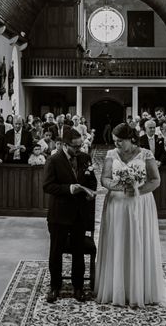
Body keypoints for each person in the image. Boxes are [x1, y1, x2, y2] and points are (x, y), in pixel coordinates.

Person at [95, 123, 166, 307]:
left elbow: (155, 180)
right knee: (118, 241)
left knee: (139, 240)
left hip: (140, 204)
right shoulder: (111, 155)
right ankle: (116, 287)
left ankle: (140, 287)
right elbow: (104, 179)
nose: (116, 144)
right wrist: (120, 186)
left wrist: (137, 190)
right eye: (115, 141)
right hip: (116, 204)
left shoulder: (145, 154)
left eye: (119, 141)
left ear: (130, 139)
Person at [43, 128, 97, 303]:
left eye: (81, 145)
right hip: (59, 213)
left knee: (78, 252)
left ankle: (78, 287)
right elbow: (48, 186)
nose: (79, 149)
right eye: (75, 146)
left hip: (79, 214)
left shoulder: (84, 158)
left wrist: (90, 191)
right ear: (65, 145)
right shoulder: (53, 160)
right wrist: (69, 189)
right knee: (56, 251)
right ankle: (55, 286)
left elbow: (92, 180)